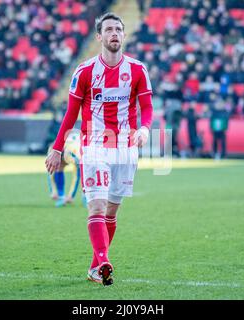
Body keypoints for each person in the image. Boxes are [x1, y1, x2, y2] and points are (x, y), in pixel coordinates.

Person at [45, 13, 153, 286]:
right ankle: (104, 260)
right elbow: (70, 114)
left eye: (118, 29)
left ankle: (96, 267)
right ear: (99, 37)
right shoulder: (84, 71)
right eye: (109, 29)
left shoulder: (138, 70)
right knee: (96, 205)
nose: (114, 33)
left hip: (125, 149)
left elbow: (147, 107)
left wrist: (145, 128)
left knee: (111, 213)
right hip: (93, 146)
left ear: (123, 35)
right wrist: (57, 149)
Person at [47, 132, 84, 207]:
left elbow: (76, 175)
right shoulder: (52, 151)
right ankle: (61, 195)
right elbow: (50, 172)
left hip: (84, 151)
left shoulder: (72, 154)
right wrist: (53, 191)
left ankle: (87, 196)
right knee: (57, 169)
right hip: (69, 146)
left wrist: (71, 195)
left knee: (87, 172)